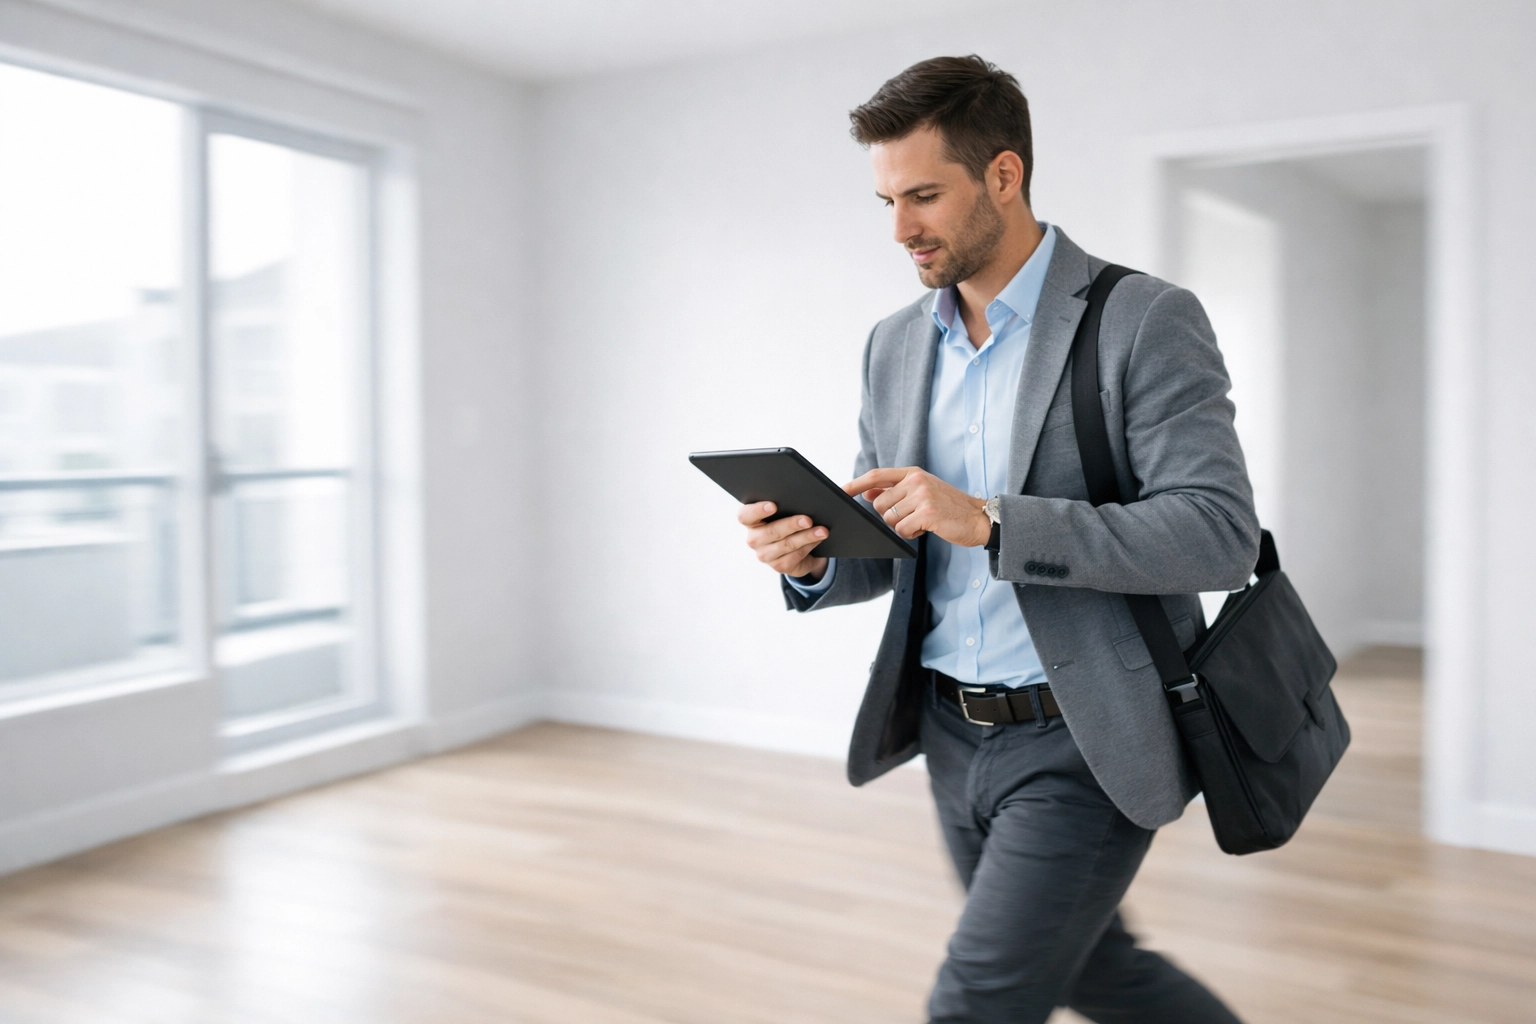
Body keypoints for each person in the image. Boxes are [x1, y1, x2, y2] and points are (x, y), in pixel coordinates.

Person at [736, 56, 1257, 1023]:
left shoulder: (1141, 319)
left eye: (924, 195)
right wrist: (811, 558)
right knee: (1097, 969)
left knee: (974, 1003)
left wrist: (994, 520)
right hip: (946, 733)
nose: (900, 229)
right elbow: (894, 539)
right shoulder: (894, 342)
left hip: (1083, 737)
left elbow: (1219, 536)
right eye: (886, 200)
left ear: (1004, 176)